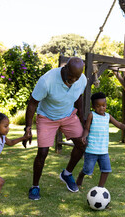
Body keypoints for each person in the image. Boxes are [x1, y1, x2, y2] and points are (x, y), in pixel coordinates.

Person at [23, 57, 87, 200]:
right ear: (65, 69)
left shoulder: (81, 79)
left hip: (68, 115)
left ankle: (67, 174)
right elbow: (32, 103)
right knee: (42, 153)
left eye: (76, 78)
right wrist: (28, 127)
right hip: (47, 117)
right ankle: (35, 187)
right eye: (71, 76)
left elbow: (78, 97)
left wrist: (81, 118)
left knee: (81, 144)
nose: (73, 80)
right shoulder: (47, 80)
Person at [76, 92, 125, 188]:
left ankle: (100, 188)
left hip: (103, 150)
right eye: (98, 106)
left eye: (104, 105)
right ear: (93, 106)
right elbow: (87, 129)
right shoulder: (91, 115)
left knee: (106, 170)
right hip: (91, 149)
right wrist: (84, 137)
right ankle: (81, 175)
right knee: (88, 170)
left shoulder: (108, 116)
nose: (102, 108)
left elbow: (119, 125)